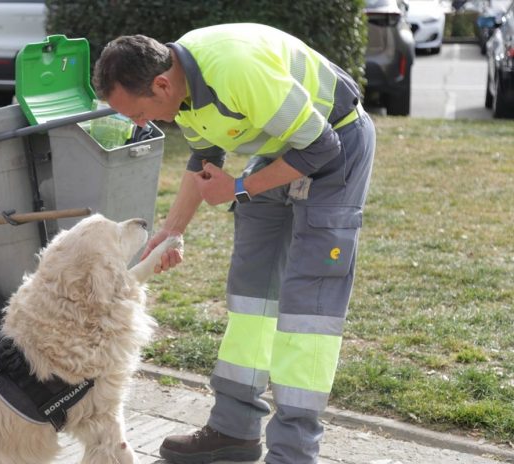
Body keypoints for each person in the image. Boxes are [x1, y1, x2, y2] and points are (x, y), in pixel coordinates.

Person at [92, 23, 376, 464]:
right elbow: (204, 162)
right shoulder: (179, 91)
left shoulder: (237, 69)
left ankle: (294, 453)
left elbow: (323, 147)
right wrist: (171, 232)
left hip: (336, 146)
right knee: (251, 293)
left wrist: (241, 188)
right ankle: (234, 431)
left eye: (138, 113)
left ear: (161, 84)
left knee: (307, 308)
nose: (140, 124)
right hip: (286, 151)